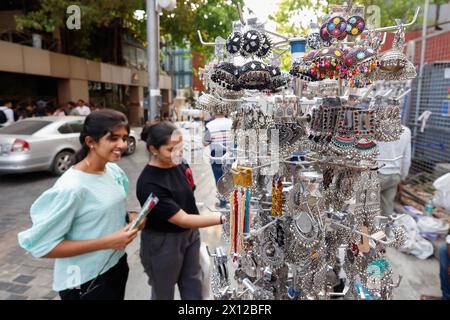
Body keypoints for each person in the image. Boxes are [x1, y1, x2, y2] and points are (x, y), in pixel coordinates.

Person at [18, 110, 145, 300]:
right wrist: (108, 242)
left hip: (115, 265)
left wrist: (131, 217)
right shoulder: (71, 188)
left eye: (125, 138)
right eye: (113, 138)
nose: (122, 145)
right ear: (90, 142)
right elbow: (42, 246)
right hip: (85, 280)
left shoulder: (113, 170)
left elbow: (99, 212)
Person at [136, 122, 224, 300]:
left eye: (181, 147)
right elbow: (182, 219)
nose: (178, 153)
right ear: (153, 149)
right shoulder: (149, 183)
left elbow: (189, 194)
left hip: (190, 236)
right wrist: (224, 217)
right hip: (163, 242)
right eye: (171, 149)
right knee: (163, 290)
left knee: (193, 284)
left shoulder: (181, 164)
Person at [377, 125, 412, 216]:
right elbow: (406, 158)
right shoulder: (406, 131)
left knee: (365, 207)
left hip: (377, 174)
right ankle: (386, 229)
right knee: (387, 208)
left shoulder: (376, 127)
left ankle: (365, 228)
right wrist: (403, 177)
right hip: (395, 175)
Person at [203, 112, 233, 209]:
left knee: (219, 178)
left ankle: (223, 203)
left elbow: (205, 142)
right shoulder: (232, 122)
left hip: (216, 154)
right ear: (225, 111)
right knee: (230, 178)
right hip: (230, 153)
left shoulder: (210, 125)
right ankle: (232, 201)